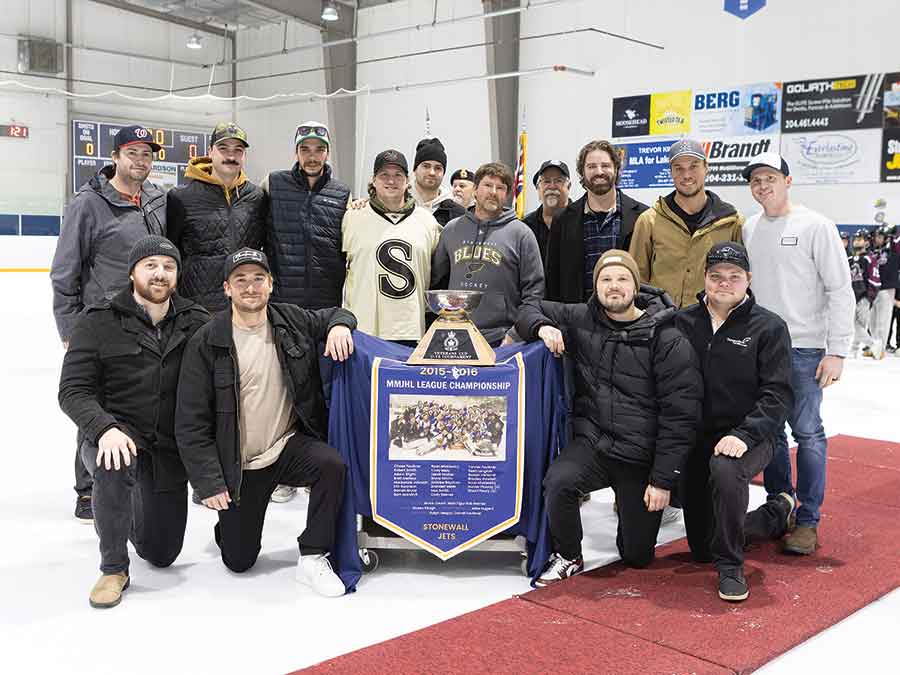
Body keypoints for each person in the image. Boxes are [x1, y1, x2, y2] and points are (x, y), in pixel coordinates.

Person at [175, 248, 355, 597]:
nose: (250, 287)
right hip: (241, 466)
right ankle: (230, 527)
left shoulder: (291, 319)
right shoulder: (207, 340)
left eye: (258, 278)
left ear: (271, 284)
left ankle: (314, 555)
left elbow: (337, 312)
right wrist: (209, 482)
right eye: (240, 280)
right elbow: (190, 422)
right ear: (227, 288)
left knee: (332, 465)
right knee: (239, 560)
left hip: (286, 446)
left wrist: (339, 326)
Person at [516, 250, 702, 585]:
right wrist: (542, 327)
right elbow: (527, 308)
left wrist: (662, 480)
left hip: (640, 455)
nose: (613, 286)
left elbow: (680, 416)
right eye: (606, 279)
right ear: (596, 286)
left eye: (622, 279)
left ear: (635, 286)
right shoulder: (582, 318)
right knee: (559, 482)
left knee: (636, 556)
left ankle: (655, 505)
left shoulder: (667, 337)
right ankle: (568, 555)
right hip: (595, 444)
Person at [58, 236, 210, 608]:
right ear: (132, 273)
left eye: (169, 266)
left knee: (161, 554)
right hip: (116, 435)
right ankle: (113, 568)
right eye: (150, 265)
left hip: (166, 448)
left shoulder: (197, 321)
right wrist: (103, 428)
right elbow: (72, 390)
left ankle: (119, 512)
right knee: (115, 462)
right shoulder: (98, 321)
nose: (160, 273)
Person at [51, 124, 166, 522]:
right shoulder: (88, 204)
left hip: (147, 319)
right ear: (115, 157)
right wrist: (70, 331)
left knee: (134, 399)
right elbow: (64, 272)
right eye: (132, 153)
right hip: (101, 324)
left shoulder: (156, 199)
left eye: (146, 154)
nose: (140, 160)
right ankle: (87, 489)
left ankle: (132, 475)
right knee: (95, 402)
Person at [742, 151, 854, 555]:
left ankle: (808, 519)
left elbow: (840, 289)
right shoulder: (750, 227)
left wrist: (837, 350)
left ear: (787, 181)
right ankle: (780, 506)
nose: (762, 186)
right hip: (762, 348)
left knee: (807, 433)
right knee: (771, 433)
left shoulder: (816, 226)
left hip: (805, 349)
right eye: (756, 180)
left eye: (770, 178)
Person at [675, 242, 795, 602]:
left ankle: (730, 566)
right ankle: (776, 513)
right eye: (716, 276)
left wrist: (744, 434)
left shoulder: (769, 327)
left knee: (726, 468)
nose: (724, 283)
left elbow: (778, 395)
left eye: (734, 276)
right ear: (704, 278)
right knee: (702, 548)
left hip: (751, 435)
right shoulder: (683, 322)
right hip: (699, 436)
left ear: (748, 279)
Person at [431, 161, 545, 346]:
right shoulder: (451, 230)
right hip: (456, 334)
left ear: (507, 194)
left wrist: (516, 333)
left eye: (500, 188)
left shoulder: (522, 234)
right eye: (487, 185)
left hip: (502, 339)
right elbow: (437, 282)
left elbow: (534, 293)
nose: (493, 192)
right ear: (475, 189)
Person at [629, 138, 744, 308]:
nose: (686, 175)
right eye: (679, 168)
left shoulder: (731, 222)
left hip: (711, 319)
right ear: (670, 172)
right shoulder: (649, 221)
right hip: (662, 319)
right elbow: (637, 277)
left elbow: (740, 279)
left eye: (693, 166)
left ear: (706, 168)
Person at [341, 149, 442, 344]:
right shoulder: (352, 217)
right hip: (364, 328)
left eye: (398, 175)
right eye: (384, 175)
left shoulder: (427, 221)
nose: (391, 181)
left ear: (408, 180)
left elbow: (438, 275)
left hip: (411, 329)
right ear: (373, 180)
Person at [166, 122, 267, 312]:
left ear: (244, 156)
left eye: (238, 150)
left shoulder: (257, 197)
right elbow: (171, 254)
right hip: (198, 308)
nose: (231, 156)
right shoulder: (181, 197)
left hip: (245, 304)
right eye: (223, 149)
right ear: (210, 152)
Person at [545, 140, 649, 303]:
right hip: (578, 314)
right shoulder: (562, 220)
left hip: (627, 313)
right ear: (582, 172)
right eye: (591, 166)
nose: (599, 172)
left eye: (605, 165)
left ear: (616, 169)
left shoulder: (642, 216)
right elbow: (552, 279)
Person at [263, 121, 351, 311]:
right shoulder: (273, 183)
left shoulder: (342, 193)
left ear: (328, 153)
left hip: (326, 303)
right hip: (281, 301)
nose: (312, 157)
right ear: (296, 152)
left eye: (319, 149)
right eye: (305, 149)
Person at [523, 160, 571, 264]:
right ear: (538, 187)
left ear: (569, 186)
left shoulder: (581, 219)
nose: (552, 186)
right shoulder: (526, 226)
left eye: (558, 181)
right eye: (546, 181)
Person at [410, 137, 466, 226]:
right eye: (426, 166)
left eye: (438, 168)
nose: (432, 173)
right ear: (415, 169)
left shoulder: (458, 214)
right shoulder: (399, 204)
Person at [847, 228, 880, 357]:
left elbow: (875, 279)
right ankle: (855, 349)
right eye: (855, 239)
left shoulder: (869, 259)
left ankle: (872, 345)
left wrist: (868, 297)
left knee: (858, 325)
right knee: (856, 325)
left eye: (860, 239)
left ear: (866, 242)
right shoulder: (850, 259)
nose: (856, 241)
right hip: (852, 296)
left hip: (863, 297)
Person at [869, 224, 899, 359]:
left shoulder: (894, 253)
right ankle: (873, 346)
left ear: (887, 238)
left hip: (887, 288)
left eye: (880, 237)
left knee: (883, 321)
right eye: (876, 236)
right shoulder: (871, 252)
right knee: (872, 321)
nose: (877, 239)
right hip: (873, 289)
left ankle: (880, 349)